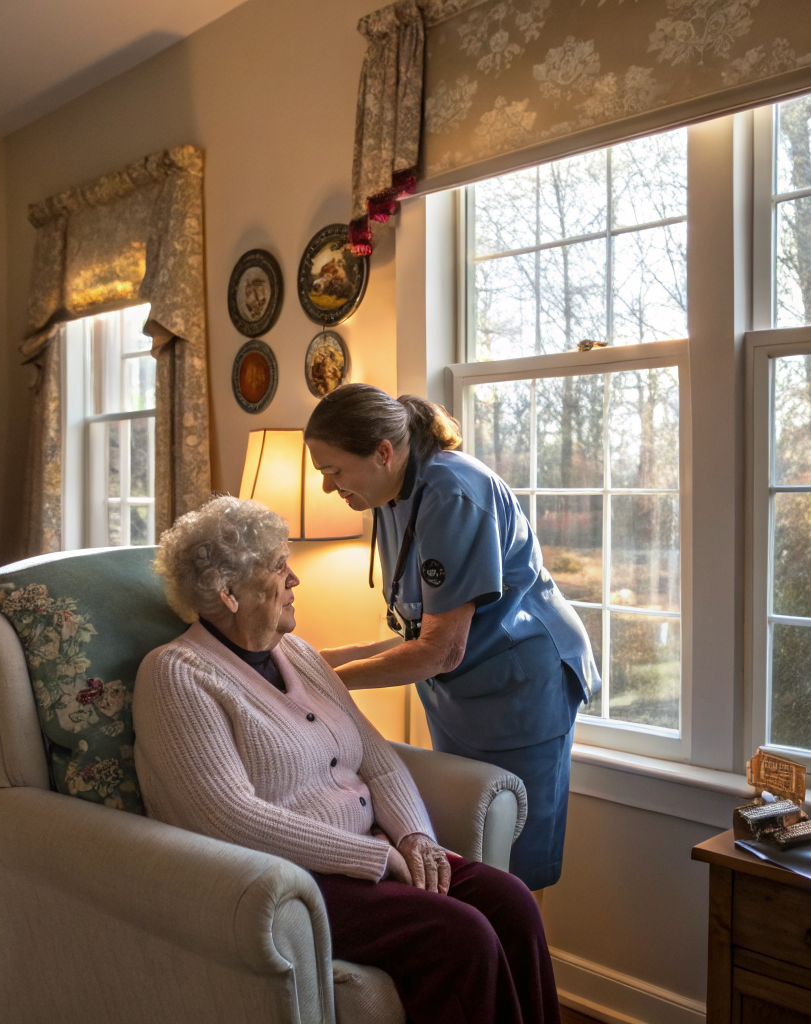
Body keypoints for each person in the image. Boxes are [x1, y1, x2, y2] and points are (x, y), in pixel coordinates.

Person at [134, 496, 560, 1024]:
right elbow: (227, 816)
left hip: (373, 850)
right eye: (277, 566)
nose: (294, 579)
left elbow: (376, 760)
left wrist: (415, 837)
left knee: (512, 902)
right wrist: (376, 860)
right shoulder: (177, 673)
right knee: (461, 935)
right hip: (292, 879)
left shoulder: (301, 655)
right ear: (228, 593)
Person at [305, 384, 599, 892]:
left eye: (334, 471)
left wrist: (325, 683)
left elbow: (441, 648)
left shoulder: (453, 491)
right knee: (469, 845)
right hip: (462, 688)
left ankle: (517, 969)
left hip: (521, 686)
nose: (330, 488)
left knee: (514, 870)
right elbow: (416, 629)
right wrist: (305, 663)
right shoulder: (387, 492)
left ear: (383, 451)